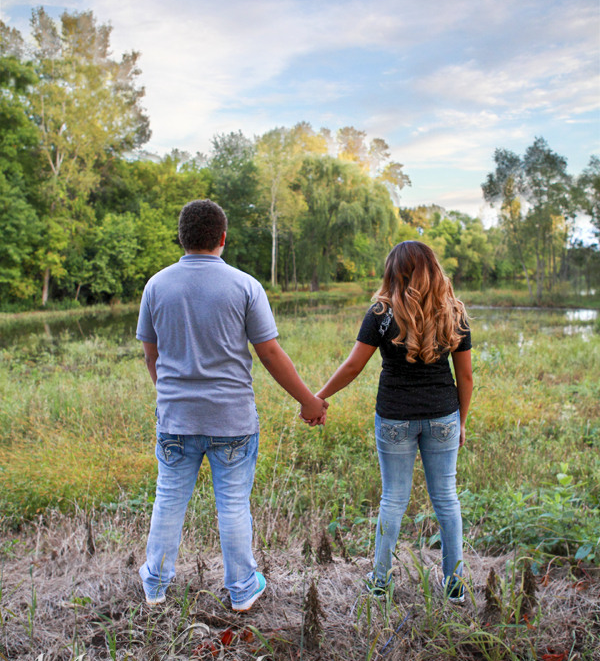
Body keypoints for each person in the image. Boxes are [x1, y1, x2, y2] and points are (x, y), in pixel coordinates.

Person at [136, 199, 327, 611]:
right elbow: (270, 353)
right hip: (232, 420)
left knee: (169, 500)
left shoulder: (156, 286)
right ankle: (242, 589)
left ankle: (155, 585)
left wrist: (170, 396)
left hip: (175, 418)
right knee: (234, 505)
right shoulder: (245, 286)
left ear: (181, 238)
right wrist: (309, 400)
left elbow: (152, 356)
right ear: (223, 237)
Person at [313, 241, 473, 603]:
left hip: (394, 418)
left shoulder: (381, 313)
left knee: (394, 499)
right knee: (446, 499)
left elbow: (353, 366)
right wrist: (461, 422)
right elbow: (465, 377)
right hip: (443, 416)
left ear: (393, 271)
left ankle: (381, 582)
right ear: (432, 268)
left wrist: (318, 397)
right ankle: (454, 584)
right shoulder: (454, 311)